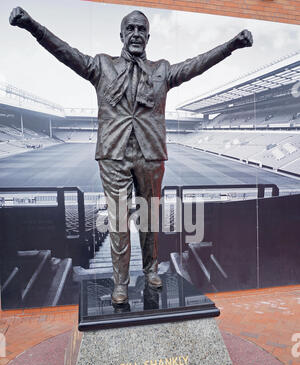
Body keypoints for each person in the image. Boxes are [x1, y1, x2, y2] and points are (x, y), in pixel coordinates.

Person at [9, 7, 253, 303]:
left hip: (150, 154)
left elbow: (197, 64)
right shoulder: (101, 65)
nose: (136, 34)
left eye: (141, 29)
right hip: (113, 153)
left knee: (150, 219)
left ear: (148, 36)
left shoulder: (162, 69)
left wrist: (232, 45)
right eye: (131, 29)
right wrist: (31, 25)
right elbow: (64, 51)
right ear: (122, 35)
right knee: (118, 221)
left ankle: (150, 270)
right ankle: (120, 282)